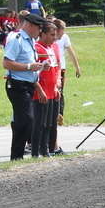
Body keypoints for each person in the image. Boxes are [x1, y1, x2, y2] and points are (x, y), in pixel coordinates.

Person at [2, 13, 47, 160]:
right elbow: (7, 63)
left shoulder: (30, 41)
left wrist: (39, 67)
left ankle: (17, 156)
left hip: (27, 85)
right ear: (31, 25)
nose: (40, 32)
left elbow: (29, 66)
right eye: (39, 28)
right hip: (17, 85)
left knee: (23, 120)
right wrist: (29, 66)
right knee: (27, 120)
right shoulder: (17, 40)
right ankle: (17, 156)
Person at [31, 21, 61, 157]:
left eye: (55, 34)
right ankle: (35, 152)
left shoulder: (52, 47)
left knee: (49, 123)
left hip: (52, 91)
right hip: (41, 92)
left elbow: (56, 68)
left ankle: (45, 149)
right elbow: (33, 70)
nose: (54, 37)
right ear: (42, 34)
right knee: (40, 123)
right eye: (51, 35)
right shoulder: (37, 48)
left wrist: (56, 85)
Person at [52, 18, 81, 154]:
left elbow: (71, 52)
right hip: (52, 70)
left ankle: (59, 114)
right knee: (55, 94)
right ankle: (55, 115)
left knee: (60, 93)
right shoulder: (49, 39)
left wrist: (77, 67)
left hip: (60, 70)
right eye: (61, 32)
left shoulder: (64, 38)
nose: (63, 35)